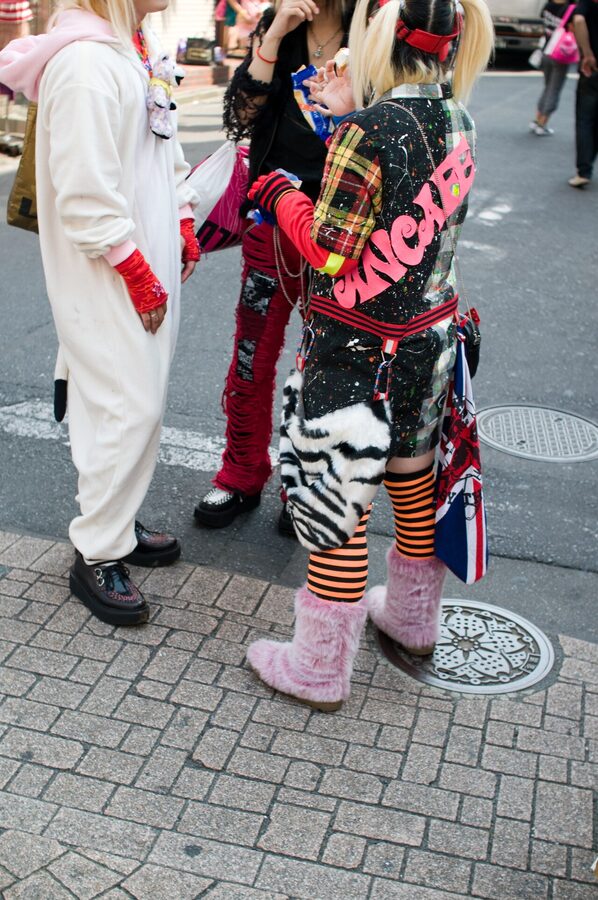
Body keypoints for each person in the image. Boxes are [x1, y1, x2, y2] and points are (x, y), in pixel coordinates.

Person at [244, 0, 494, 710]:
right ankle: (413, 621)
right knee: (413, 481)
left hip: (355, 348)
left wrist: (281, 192)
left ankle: (320, 667)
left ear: (377, 43)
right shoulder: (458, 120)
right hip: (429, 341)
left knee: (337, 499)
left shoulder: (367, 129)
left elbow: (329, 243)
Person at [0, 0, 200, 625]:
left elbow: (161, 147)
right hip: (108, 266)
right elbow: (84, 190)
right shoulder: (87, 62)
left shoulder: (129, 47)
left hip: (137, 253)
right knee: (125, 402)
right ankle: (97, 551)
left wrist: (184, 215)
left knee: (129, 398)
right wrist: (135, 269)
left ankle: (115, 521)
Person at [193, 0, 355, 532]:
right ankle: (240, 474)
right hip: (269, 222)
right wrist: (277, 30)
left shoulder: (374, 30)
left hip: (337, 233)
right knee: (250, 357)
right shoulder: (277, 27)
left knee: (323, 367)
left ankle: (305, 487)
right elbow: (239, 117)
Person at [530, 0, 573, 135]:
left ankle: (537, 119)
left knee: (547, 86)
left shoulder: (548, 5)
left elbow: (543, 20)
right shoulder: (570, 9)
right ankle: (542, 123)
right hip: (560, 53)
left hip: (546, 51)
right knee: (554, 89)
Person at [569, 0, 598, 186]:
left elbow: (578, 20)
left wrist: (587, 54)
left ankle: (584, 172)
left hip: (592, 69)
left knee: (585, 120)